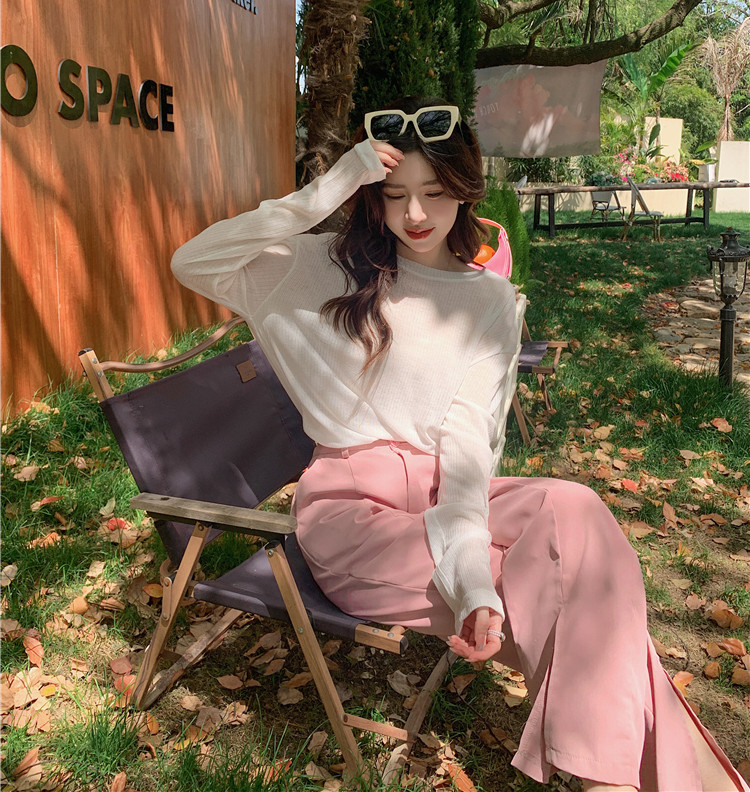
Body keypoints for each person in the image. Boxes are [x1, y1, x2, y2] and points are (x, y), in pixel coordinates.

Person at [171, 97, 747, 792]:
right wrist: (331, 185)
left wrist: (469, 564)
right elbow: (194, 260)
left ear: (465, 188)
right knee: (569, 588)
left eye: (435, 192)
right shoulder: (323, 269)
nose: (414, 214)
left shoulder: (489, 302)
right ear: (372, 195)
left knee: (575, 512)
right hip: (350, 513)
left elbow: (469, 444)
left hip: (444, 491)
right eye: (394, 195)